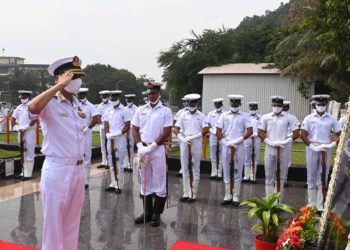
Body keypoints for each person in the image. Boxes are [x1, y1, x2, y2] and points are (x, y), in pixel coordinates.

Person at [28, 56, 86, 250]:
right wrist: (57, 87)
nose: (76, 81)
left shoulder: (78, 105)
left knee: (72, 224)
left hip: (78, 169)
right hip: (58, 169)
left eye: (78, 76)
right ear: (59, 78)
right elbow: (32, 108)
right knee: (53, 226)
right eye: (71, 76)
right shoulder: (50, 103)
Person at [132, 81, 172, 227]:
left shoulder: (165, 111)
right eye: (149, 93)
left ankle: (157, 214)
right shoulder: (141, 109)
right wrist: (139, 145)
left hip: (157, 149)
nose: (151, 96)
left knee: (160, 181)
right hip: (143, 149)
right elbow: (134, 128)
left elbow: (167, 131)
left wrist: (152, 146)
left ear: (159, 93)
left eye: (153, 93)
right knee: (144, 181)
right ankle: (147, 213)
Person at [300, 94, 341, 214]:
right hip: (313, 148)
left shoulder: (332, 118)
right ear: (315, 104)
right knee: (311, 176)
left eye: (323, 104)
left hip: (325, 148)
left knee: (323, 176)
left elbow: (340, 133)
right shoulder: (309, 118)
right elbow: (303, 134)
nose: (321, 106)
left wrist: (331, 145)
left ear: (326, 105)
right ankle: (311, 204)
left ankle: (320, 204)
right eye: (319, 104)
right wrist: (311, 145)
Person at [258, 96, 299, 200]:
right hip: (270, 148)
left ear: (282, 106)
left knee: (281, 176)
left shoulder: (289, 117)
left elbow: (296, 132)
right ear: (272, 105)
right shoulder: (265, 117)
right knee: (269, 175)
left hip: (283, 148)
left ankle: (278, 200)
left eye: (279, 106)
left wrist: (286, 141)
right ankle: (269, 199)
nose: (277, 107)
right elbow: (260, 132)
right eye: (275, 105)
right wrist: (269, 142)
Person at [217, 95, 252, 206]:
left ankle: (236, 196)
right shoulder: (223, 115)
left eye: (236, 104)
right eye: (232, 104)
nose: (234, 106)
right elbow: (218, 130)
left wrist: (239, 139)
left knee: (238, 170)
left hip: (239, 145)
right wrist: (224, 142)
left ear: (239, 105)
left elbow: (250, 130)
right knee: (226, 170)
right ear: (229, 104)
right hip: (226, 145)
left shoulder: (245, 116)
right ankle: (228, 195)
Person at [175, 93, 208, 203]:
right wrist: (182, 138)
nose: (191, 104)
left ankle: (193, 193)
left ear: (197, 103)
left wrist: (193, 137)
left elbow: (205, 130)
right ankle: (186, 193)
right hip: (185, 142)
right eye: (190, 102)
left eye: (194, 102)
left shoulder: (202, 115)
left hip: (196, 143)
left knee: (195, 168)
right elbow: (176, 128)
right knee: (184, 168)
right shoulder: (183, 115)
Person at [104, 90, 130, 193]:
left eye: (114, 98)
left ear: (118, 98)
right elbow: (106, 123)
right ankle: (113, 182)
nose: (112, 100)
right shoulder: (108, 110)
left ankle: (119, 183)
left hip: (120, 138)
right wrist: (107, 133)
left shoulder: (124, 110)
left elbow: (127, 125)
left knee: (119, 160)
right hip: (110, 138)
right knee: (111, 160)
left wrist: (116, 133)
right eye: (111, 98)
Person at [11, 90, 38, 180]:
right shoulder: (18, 107)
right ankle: (23, 172)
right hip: (20, 131)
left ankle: (28, 174)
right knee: (22, 152)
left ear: (28, 97)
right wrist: (16, 127)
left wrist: (26, 127)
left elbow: (35, 119)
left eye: (24, 97)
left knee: (29, 152)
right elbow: (13, 118)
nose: (22, 99)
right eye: (21, 97)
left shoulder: (32, 106)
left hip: (29, 131)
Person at [77, 88, 99, 189]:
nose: (79, 95)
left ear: (85, 94)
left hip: (86, 133)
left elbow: (95, 119)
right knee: (76, 156)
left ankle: (85, 180)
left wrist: (87, 128)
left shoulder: (90, 106)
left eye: (81, 94)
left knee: (86, 156)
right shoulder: (74, 104)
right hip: (75, 133)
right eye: (78, 94)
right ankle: (77, 179)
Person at [282, 101, 300, 187]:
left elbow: (297, 128)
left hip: (288, 141)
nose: (285, 108)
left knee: (286, 160)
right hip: (278, 141)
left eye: (286, 107)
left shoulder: (292, 117)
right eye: (284, 106)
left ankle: (284, 178)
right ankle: (279, 178)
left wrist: (289, 137)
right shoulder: (279, 117)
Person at [206, 98, 225, 180]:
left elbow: (226, 125)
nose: (217, 106)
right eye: (216, 104)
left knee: (221, 154)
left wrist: (221, 132)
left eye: (219, 104)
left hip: (222, 135)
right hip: (213, 135)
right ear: (214, 105)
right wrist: (213, 132)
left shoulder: (225, 114)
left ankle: (220, 172)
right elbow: (208, 124)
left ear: (222, 104)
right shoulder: (210, 113)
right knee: (213, 154)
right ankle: (213, 172)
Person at [243, 102, 261, 184]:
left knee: (255, 156)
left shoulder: (260, 117)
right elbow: (243, 127)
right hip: (247, 138)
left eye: (254, 108)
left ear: (257, 108)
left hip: (257, 138)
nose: (253, 110)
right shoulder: (245, 116)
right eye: (251, 108)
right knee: (246, 156)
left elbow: (262, 127)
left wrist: (257, 134)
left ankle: (253, 175)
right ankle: (246, 176)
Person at [96, 90, 113, 169]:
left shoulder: (111, 104)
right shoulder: (100, 105)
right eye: (103, 97)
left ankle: (109, 162)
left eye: (105, 96)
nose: (104, 98)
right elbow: (98, 116)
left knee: (109, 143)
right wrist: (100, 124)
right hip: (102, 126)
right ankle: (103, 161)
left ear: (108, 97)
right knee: (102, 143)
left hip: (110, 125)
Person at [173, 97, 189, 177]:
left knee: (192, 154)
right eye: (184, 102)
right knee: (183, 153)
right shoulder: (180, 112)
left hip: (192, 135)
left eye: (187, 101)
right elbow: (175, 123)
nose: (185, 103)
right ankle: (182, 169)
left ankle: (189, 170)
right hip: (182, 135)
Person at [124, 93, 138, 172]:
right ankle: (126, 163)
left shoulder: (136, 109)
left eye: (130, 99)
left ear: (132, 100)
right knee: (125, 147)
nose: (128, 100)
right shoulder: (124, 108)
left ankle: (131, 164)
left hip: (132, 129)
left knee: (130, 146)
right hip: (125, 130)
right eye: (127, 99)